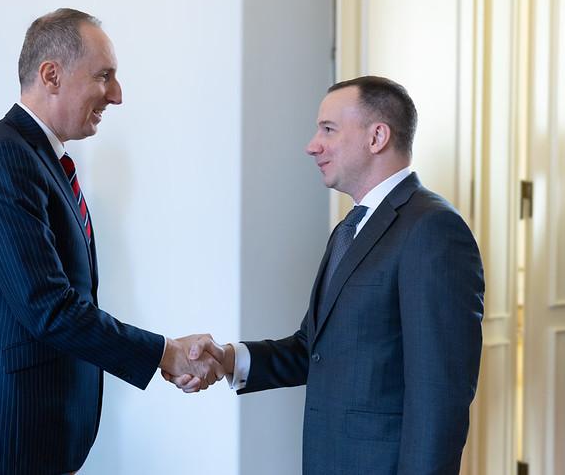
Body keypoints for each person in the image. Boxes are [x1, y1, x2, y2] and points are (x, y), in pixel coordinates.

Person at [0, 8, 224, 475]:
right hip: (5, 428)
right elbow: (47, 307)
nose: (117, 94)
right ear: (51, 75)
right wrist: (165, 352)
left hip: (37, 423)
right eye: (104, 76)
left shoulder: (38, 158)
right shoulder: (3, 162)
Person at [177, 76, 485, 474]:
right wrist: (228, 359)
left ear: (377, 137)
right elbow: (314, 349)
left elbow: (439, 397)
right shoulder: (348, 230)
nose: (312, 145)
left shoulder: (433, 229)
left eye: (328, 129)